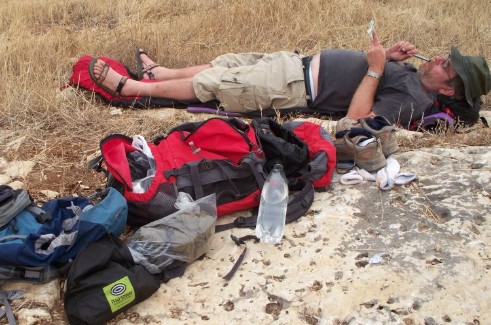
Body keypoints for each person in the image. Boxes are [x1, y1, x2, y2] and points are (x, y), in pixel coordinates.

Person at [90, 31, 491, 128]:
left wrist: (374, 66)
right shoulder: (412, 78)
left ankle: (135, 89)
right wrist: (385, 57)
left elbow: (355, 123)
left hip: (294, 87)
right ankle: (161, 74)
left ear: (448, 88)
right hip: (295, 63)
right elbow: (374, 76)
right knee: (227, 62)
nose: (439, 58)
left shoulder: (413, 101)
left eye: (447, 65)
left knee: (218, 84)